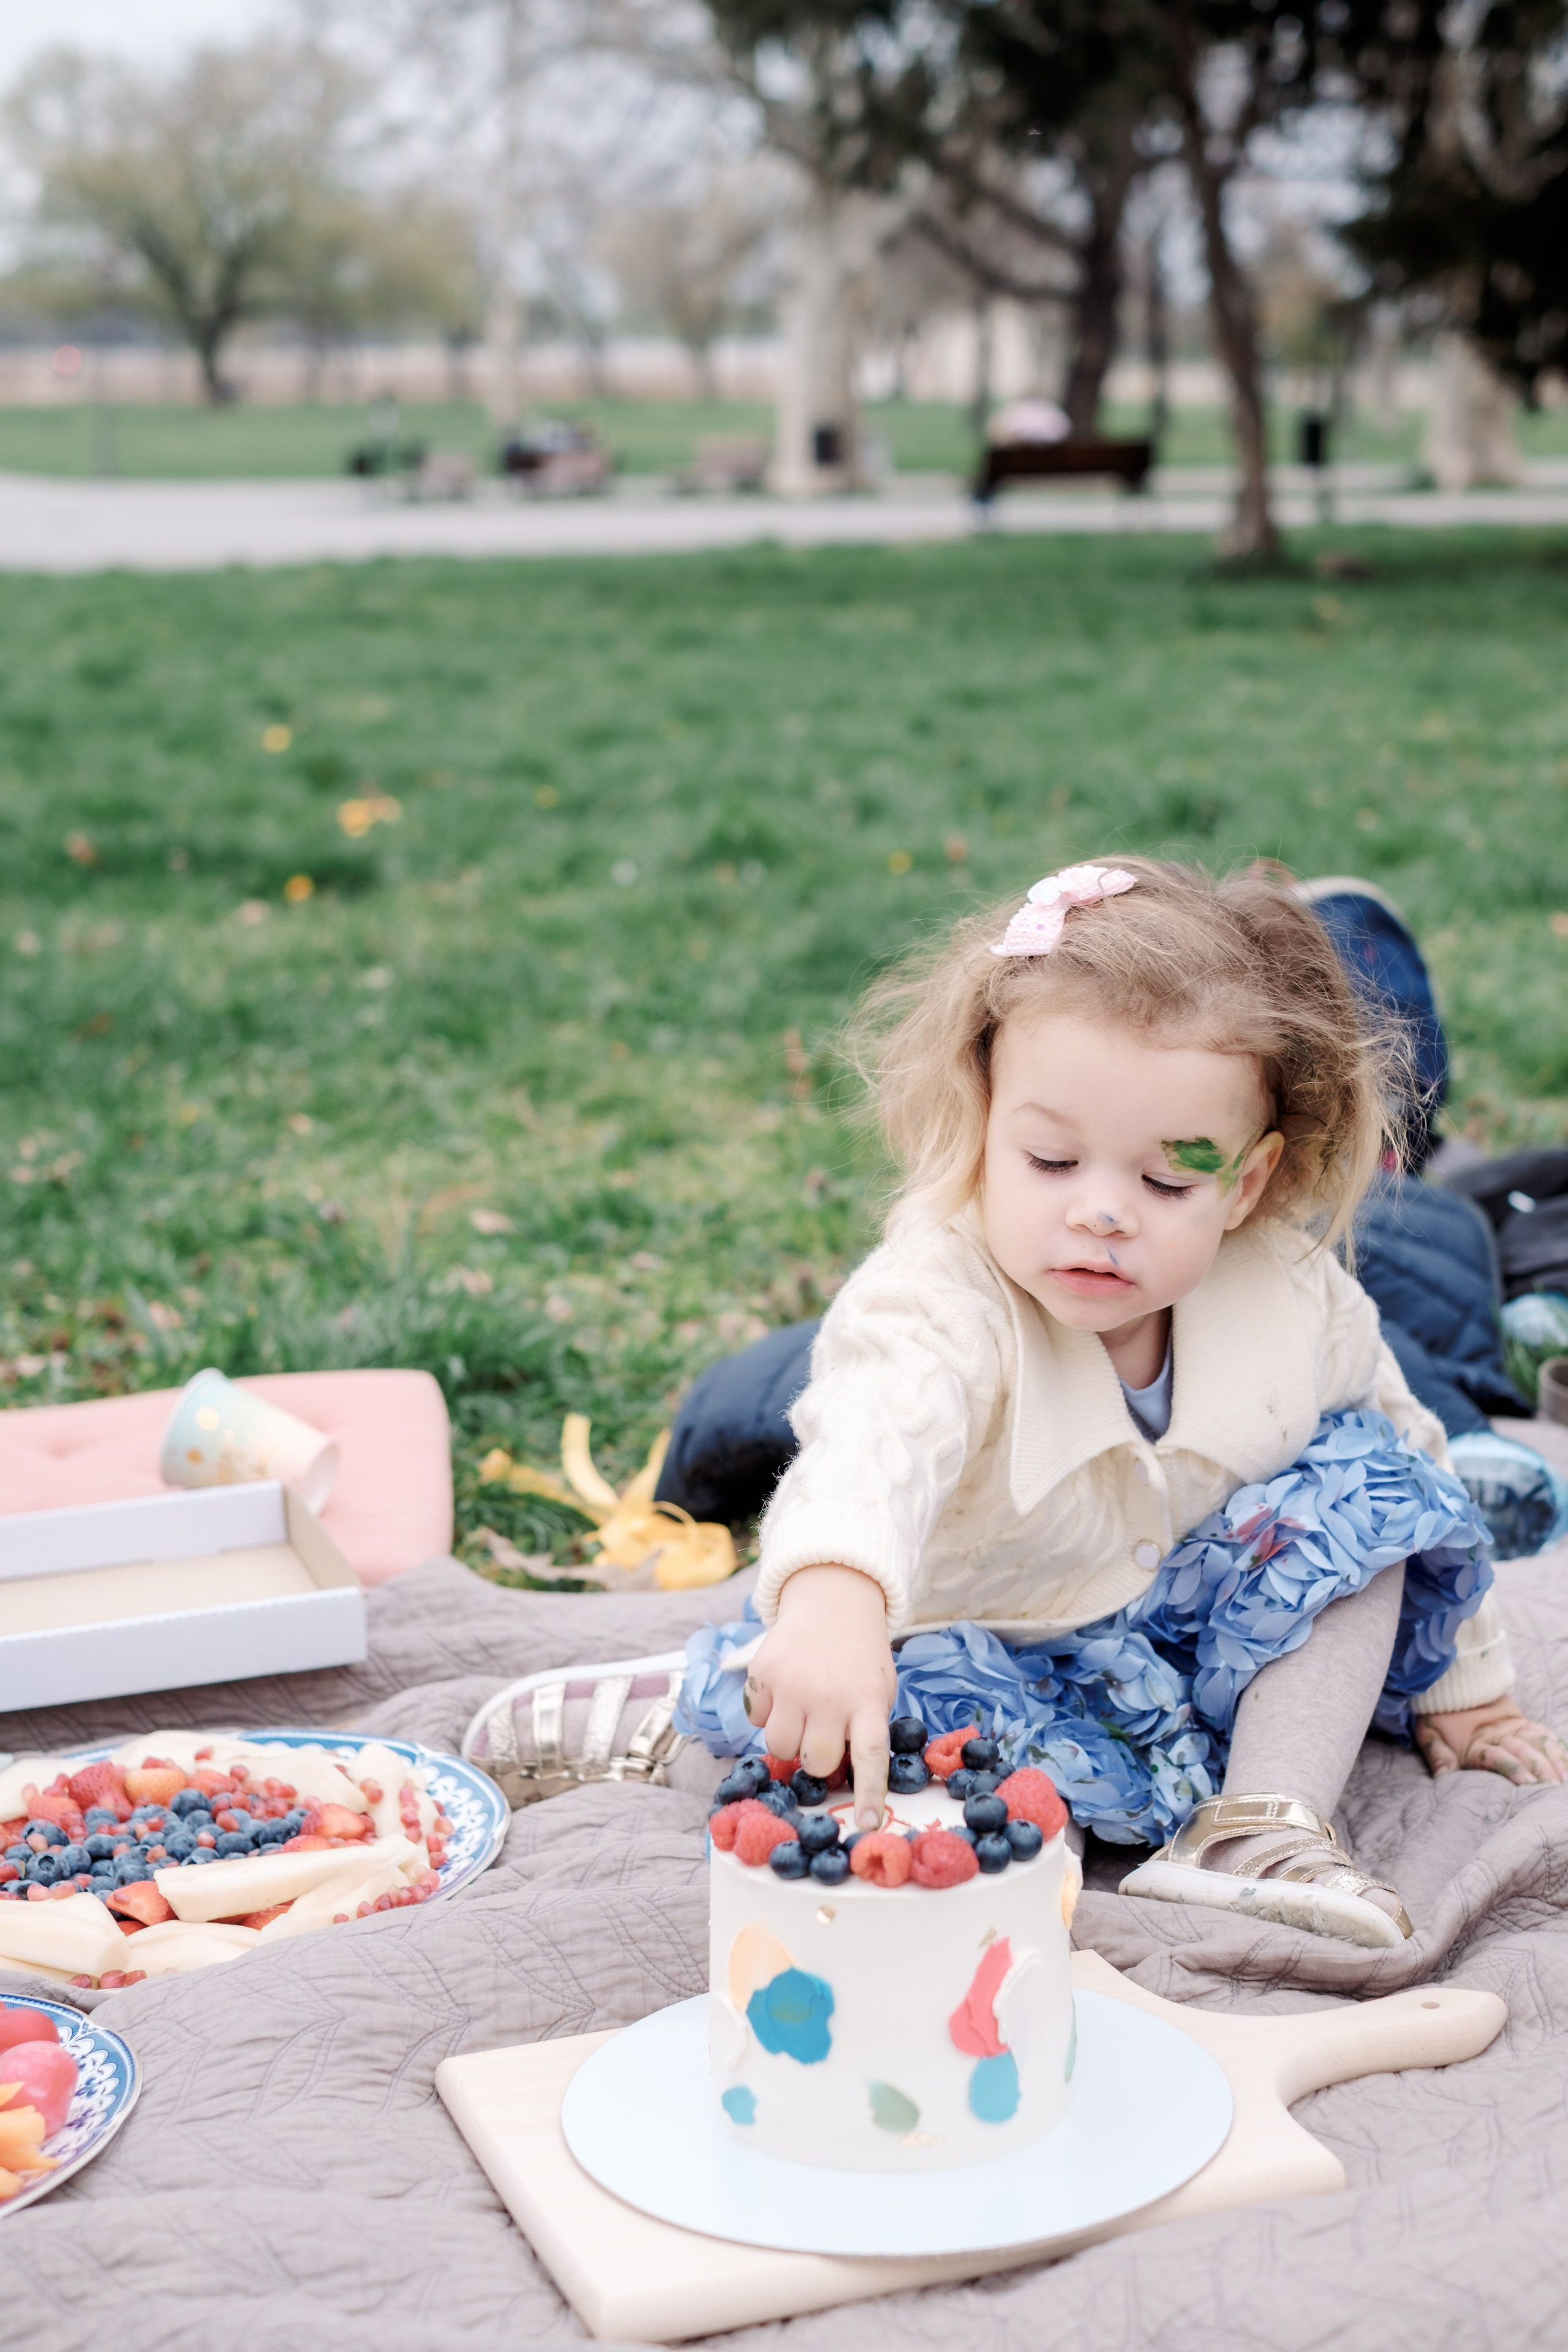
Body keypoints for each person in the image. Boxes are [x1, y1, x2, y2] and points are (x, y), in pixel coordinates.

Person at [464, 858, 1567, 1948]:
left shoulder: (1288, 1290)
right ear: (983, 1126)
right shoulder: (941, 1296)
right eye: (1050, 1159)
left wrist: (1463, 1683)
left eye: (1167, 1180)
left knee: (1372, 1490)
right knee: (861, 1780)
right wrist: (836, 1599)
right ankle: (675, 1719)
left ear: (1249, 1181)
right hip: (974, 1645)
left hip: (1184, 1638)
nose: (1101, 1212)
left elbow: (1413, 1473)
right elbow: (870, 1444)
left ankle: (1257, 1829)